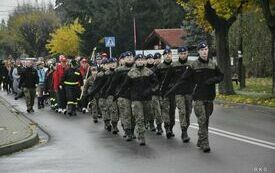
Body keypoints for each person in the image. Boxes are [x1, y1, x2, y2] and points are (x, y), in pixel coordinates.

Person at [168, 42, 224, 152]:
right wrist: (171, 91)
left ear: (208, 51)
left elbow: (221, 76)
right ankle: (205, 144)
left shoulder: (213, 65)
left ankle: (200, 140)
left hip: (209, 97)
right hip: (198, 97)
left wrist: (212, 81)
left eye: (206, 49)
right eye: (202, 50)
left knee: (206, 120)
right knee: (202, 120)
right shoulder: (194, 65)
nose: (204, 52)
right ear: (198, 52)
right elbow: (183, 80)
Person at [118, 54, 158, 146]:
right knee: (139, 117)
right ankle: (141, 136)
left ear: (144, 61)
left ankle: (141, 129)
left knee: (147, 116)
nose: (140, 61)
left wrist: (151, 91)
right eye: (138, 60)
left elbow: (156, 84)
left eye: (142, 60)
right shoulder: (131, 73)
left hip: (147, 99)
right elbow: (125, 86)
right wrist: (119, 95)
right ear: (135, 61)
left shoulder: (149, 72)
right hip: (136, 99)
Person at [162, 46, 195, 143]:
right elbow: (167, 80)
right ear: (178, 54)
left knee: (188, 112)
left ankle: (185, 127)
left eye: (184, 53)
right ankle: (184, 132)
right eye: (181, 54)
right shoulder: (174, 66)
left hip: (189, 92)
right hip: (178, 93)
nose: (183, 55)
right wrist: (163, 92)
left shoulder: (192, 65)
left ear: (187, 54)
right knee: (182, 111)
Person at [112, 51, 135, 141]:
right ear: (123, 59)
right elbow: (114, 83)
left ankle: (132, 131)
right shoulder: (119, 70)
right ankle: (128, 132)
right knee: (126, 114)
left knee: (134, 115)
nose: (129, 58)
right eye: (127, 57)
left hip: (134, 95)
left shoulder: (136, 68)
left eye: (131, 57)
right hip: (123, 95)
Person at [157, 48, 176, 139]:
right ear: (163, 56)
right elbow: (155, 80)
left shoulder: (175, 66)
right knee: (165, 110)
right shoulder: (159, 67)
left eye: (169, 54)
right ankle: (167, 128)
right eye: (166, 54)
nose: (168, 55)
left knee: (172, 111)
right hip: (164, 92)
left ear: (172, 55)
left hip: (173, 91)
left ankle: (171, 128)